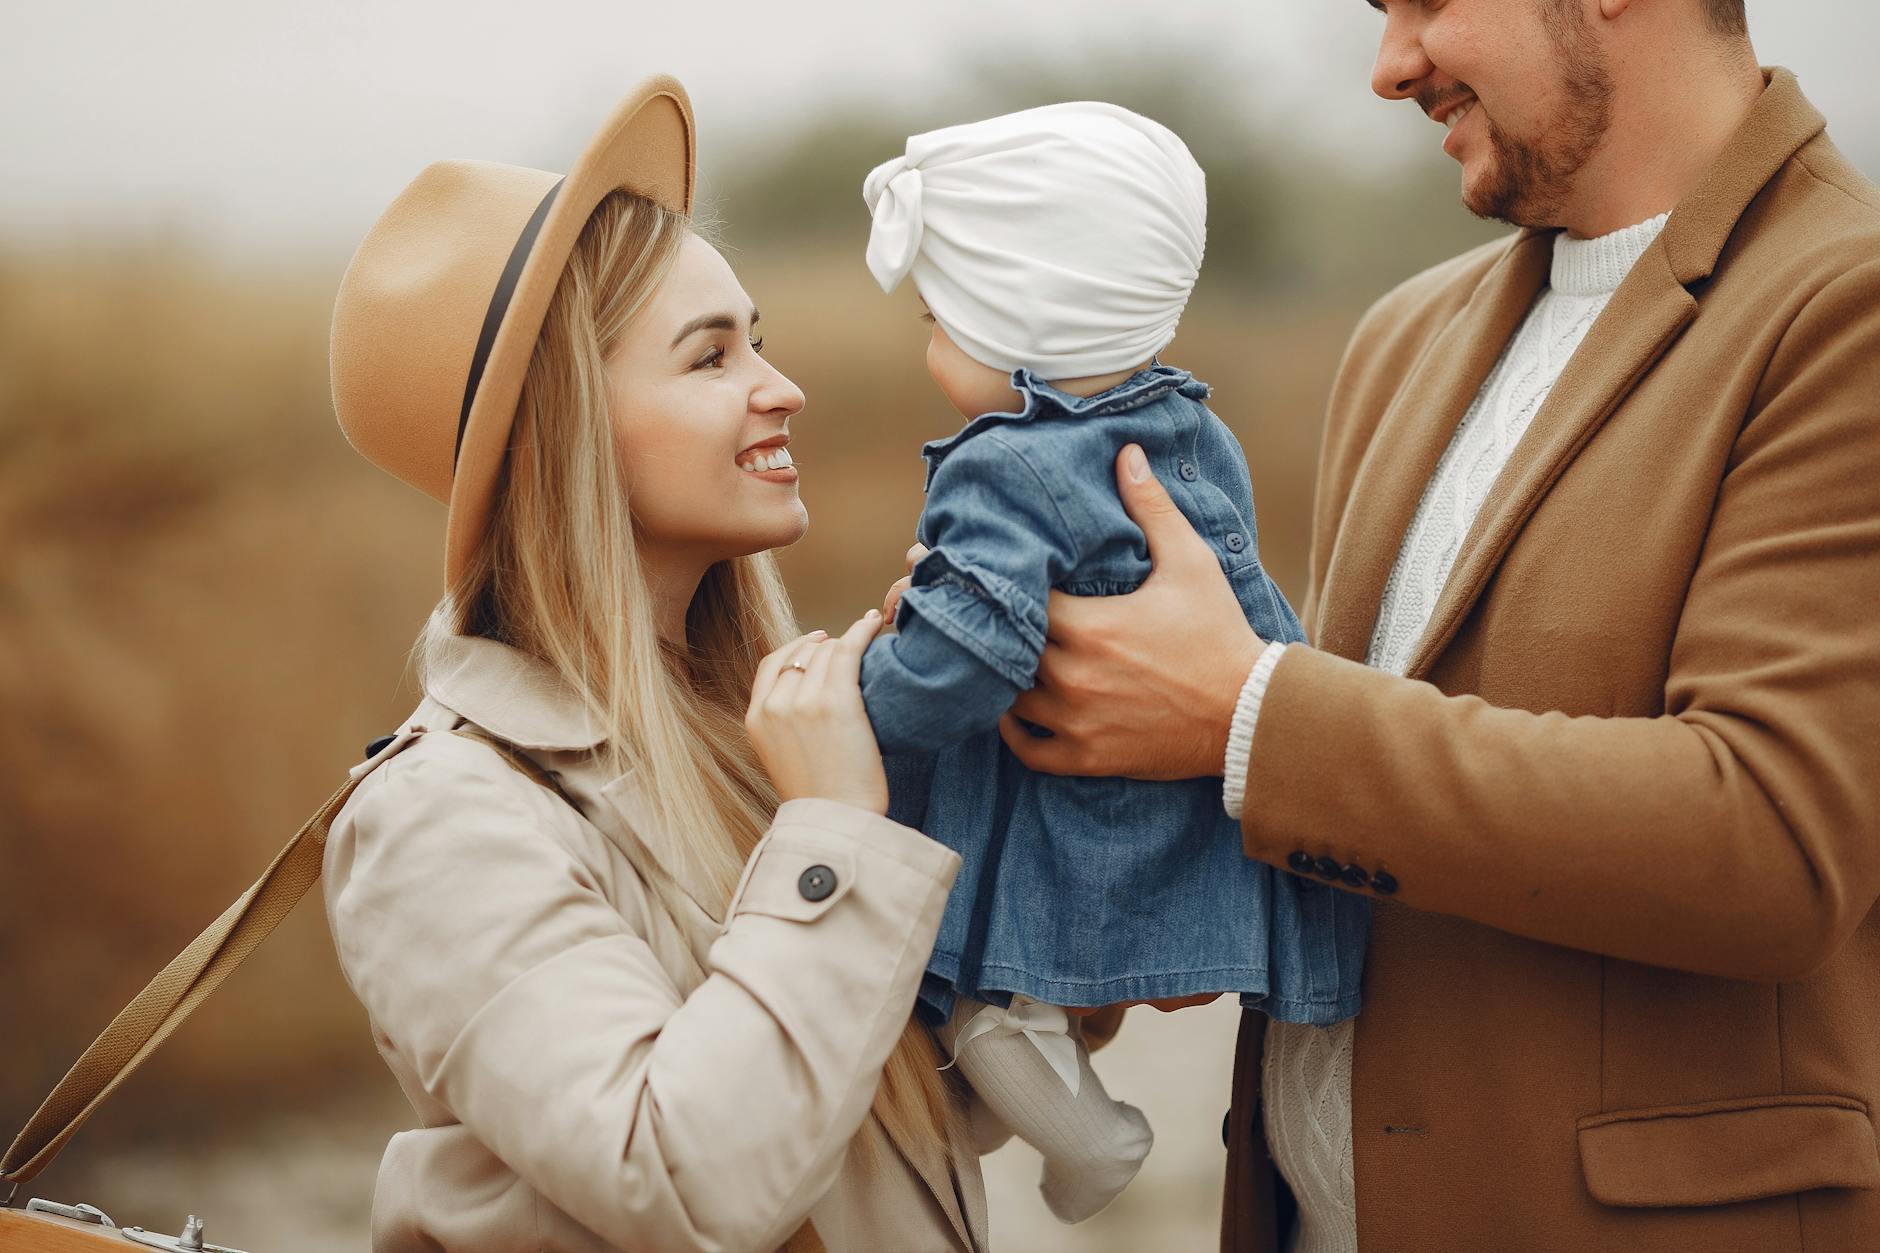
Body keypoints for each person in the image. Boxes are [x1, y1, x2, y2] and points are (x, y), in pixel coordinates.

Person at [907, 3, 1880, 1250]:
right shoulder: (1403, 336)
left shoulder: (1843, 307)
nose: (1387, 67)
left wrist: (1243, 711)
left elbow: (1773, 838)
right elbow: (1345, 802)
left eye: (1424, 3)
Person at [322, 76, 994, 1252]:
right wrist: (838, 826)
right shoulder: (444, 815)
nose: (780, 387)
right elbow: (685, 1180)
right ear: (571, 424)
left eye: (760, 341)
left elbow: (882, 1118)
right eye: (709, 356)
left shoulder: (753, 724)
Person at [855, 102, 1368, 1224]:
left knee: (988, 1005)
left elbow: (972, 656)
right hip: (1175, 802)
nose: (928, 341)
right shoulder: (1188, 423)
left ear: (1016, 323)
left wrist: (863, 700)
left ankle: (1090, 1136)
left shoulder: (1003, 468)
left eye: (942, 315)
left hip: (1058, 808)